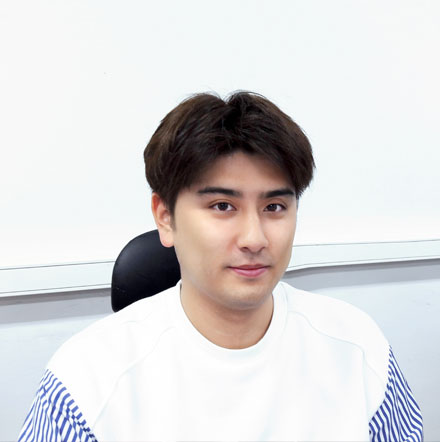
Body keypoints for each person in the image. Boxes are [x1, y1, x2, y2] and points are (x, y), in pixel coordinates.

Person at [19, 91, 423, 441]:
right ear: (165, 216)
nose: (254, 238)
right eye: (223, 206)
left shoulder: (357, 347)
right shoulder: (88, 379)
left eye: (274, 207)